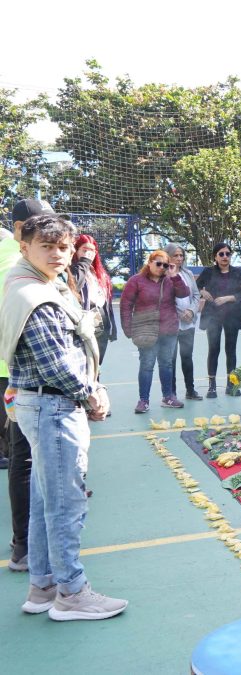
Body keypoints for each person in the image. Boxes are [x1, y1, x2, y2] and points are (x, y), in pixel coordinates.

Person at [0, 213, 127, 621]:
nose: (58, 254)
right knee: (65, 504)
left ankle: (44, 585)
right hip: (54, 406)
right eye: (47, 246)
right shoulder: (32, 296)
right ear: (25, 247)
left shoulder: (34, 284)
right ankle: (72, 592)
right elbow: (56, 363)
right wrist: (92, 394)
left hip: (41, 405)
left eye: (64, 247)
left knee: (43, 500)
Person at [1, 199, 53, 571]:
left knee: (29, 453)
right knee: (26, 456)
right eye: (37, 225)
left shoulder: (33, 254)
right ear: (20, 231)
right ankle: (25, 545)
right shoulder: (15, 254)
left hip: (20, 366)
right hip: (17, 371)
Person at [119, 250, 191, 413]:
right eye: (158, 263)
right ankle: (143, 400)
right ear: (149, 262)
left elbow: (184, 293)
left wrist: (174, 276)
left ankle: (168, 397)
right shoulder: (136, 281)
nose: (161, 267)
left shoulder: (170, 280)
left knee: (166, 364)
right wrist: (128, 329)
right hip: (145, 330)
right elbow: (126, 305)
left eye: (165, 265)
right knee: (147, 365)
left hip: (169, 330)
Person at [196, 242, 241, 398]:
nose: (225, 257)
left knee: (230, 350)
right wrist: (202, 292)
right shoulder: (208, 272)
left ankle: (231, 384)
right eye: (221, 254)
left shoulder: (238, 272)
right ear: (215, 257)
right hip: (213, 316)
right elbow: (195, 287)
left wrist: (228, 298)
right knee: (214, 350)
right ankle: (212, 386)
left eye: (228, 253)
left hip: (232, 316)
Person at [70, 235, 117, 364]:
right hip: (84, 323)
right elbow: (74, 286)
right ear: (76, 250)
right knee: (86, 364)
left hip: (102, 323)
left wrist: (112, 327)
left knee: (97, 364)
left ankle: (96, 382)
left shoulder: (99, 272)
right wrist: (84, 262)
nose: (88, 254)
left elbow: (107, 301)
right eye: (84, 250)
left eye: (91, 251)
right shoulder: (73, 269)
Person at [164, 243, 202, 401]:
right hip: (171, 325)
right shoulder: (163, 275)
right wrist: (181, 313)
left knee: (187, 357)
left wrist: (191, 311)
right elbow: (165, 299)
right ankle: (171, 393)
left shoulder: (188, 273)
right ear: (168, 256)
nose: (179, 259)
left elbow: (196, 295)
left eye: (181, 256)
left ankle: (190, 390)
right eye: (175, 255)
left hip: (189, 324)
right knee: (170, 360)